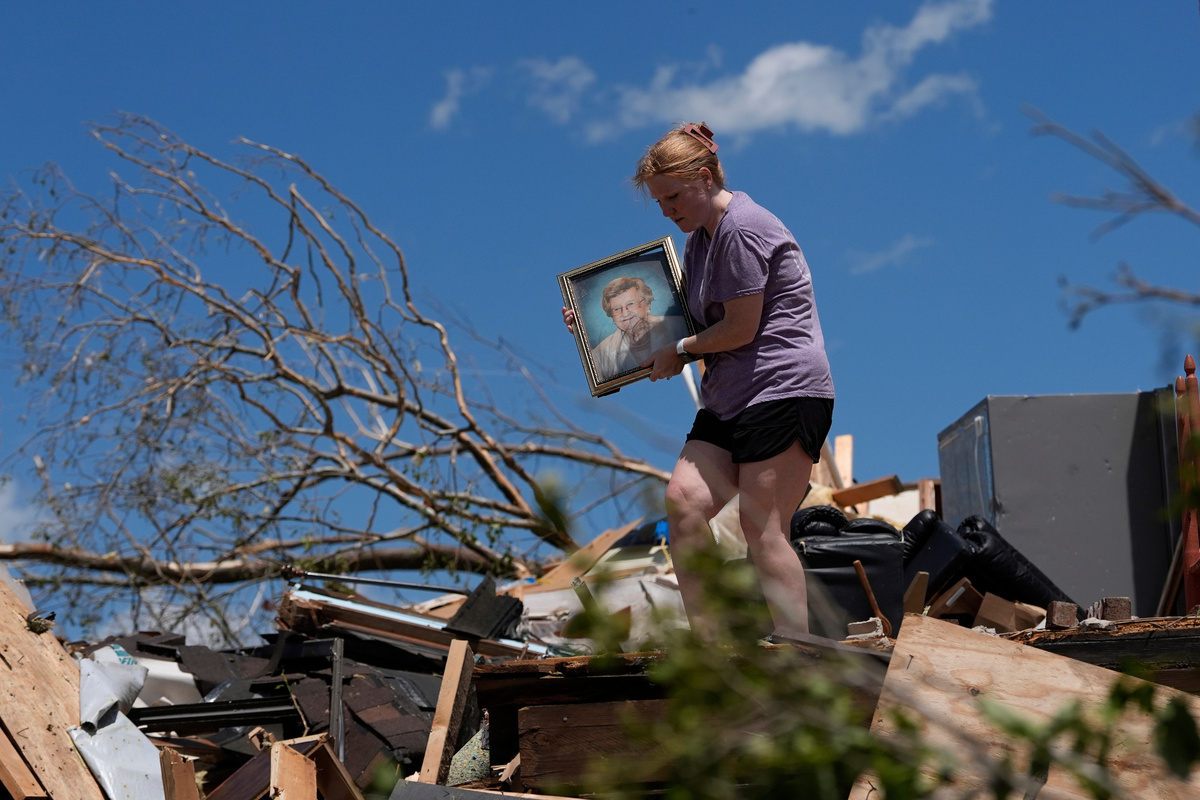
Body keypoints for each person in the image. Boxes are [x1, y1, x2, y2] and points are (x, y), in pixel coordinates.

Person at [567, 121, 834, 636]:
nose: (667, 210)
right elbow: (682, 324)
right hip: (730, 397)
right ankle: (715, 654)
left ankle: (797, 656)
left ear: (706, 177)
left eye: (672, 196)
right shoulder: (698, 242)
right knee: (684, 502)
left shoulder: (743, 229)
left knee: (762, 527)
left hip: (782, 389)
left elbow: (738, 327)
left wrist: (681, 348)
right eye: (659, 202)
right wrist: (591, 325)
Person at [590, 276, 689, 381]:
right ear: (611, 316)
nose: (625, 313)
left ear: (648, 304)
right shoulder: (600, 354)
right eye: (617, 309)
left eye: (631, 304)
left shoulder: (680, 326)